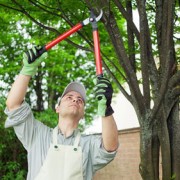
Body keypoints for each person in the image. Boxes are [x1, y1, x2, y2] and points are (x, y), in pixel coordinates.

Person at [4, 46, 119, 180]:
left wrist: (106, 110)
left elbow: (110, 147)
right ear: (57, 108)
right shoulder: (38, 134)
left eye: (80, 100)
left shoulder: (88, 144)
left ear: (83, 114)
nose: (75, 99)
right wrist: (27, 70)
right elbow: (13, 105)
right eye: (69, 97)